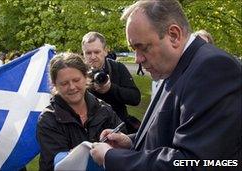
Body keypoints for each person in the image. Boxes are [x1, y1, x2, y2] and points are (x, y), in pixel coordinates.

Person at [90, 1, 242, 171]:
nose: (137, 59)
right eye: (133, 49)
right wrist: (131, 141)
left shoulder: (214, 68)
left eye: (142, 48)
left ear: (174, 35)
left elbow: (195, 163)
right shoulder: (179, 66)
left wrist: (112, 157)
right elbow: (171, 131)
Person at [36, 53, 123, 171]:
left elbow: (123, 150)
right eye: (64, 83)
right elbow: (54, 165)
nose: (72, 87)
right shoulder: (49, 119)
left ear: (86, 77)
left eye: (76, 80)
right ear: (55, 85)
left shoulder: (104, 109)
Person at [82, 31, 141, 133]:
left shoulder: (117, 67)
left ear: (105, 51)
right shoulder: (78, 73)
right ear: (83, 53)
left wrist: (110, 89)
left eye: (97, 52)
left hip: (118, 127)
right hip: (89, 129)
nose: (92, 57)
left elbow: (135, 98)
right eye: (88, 53)